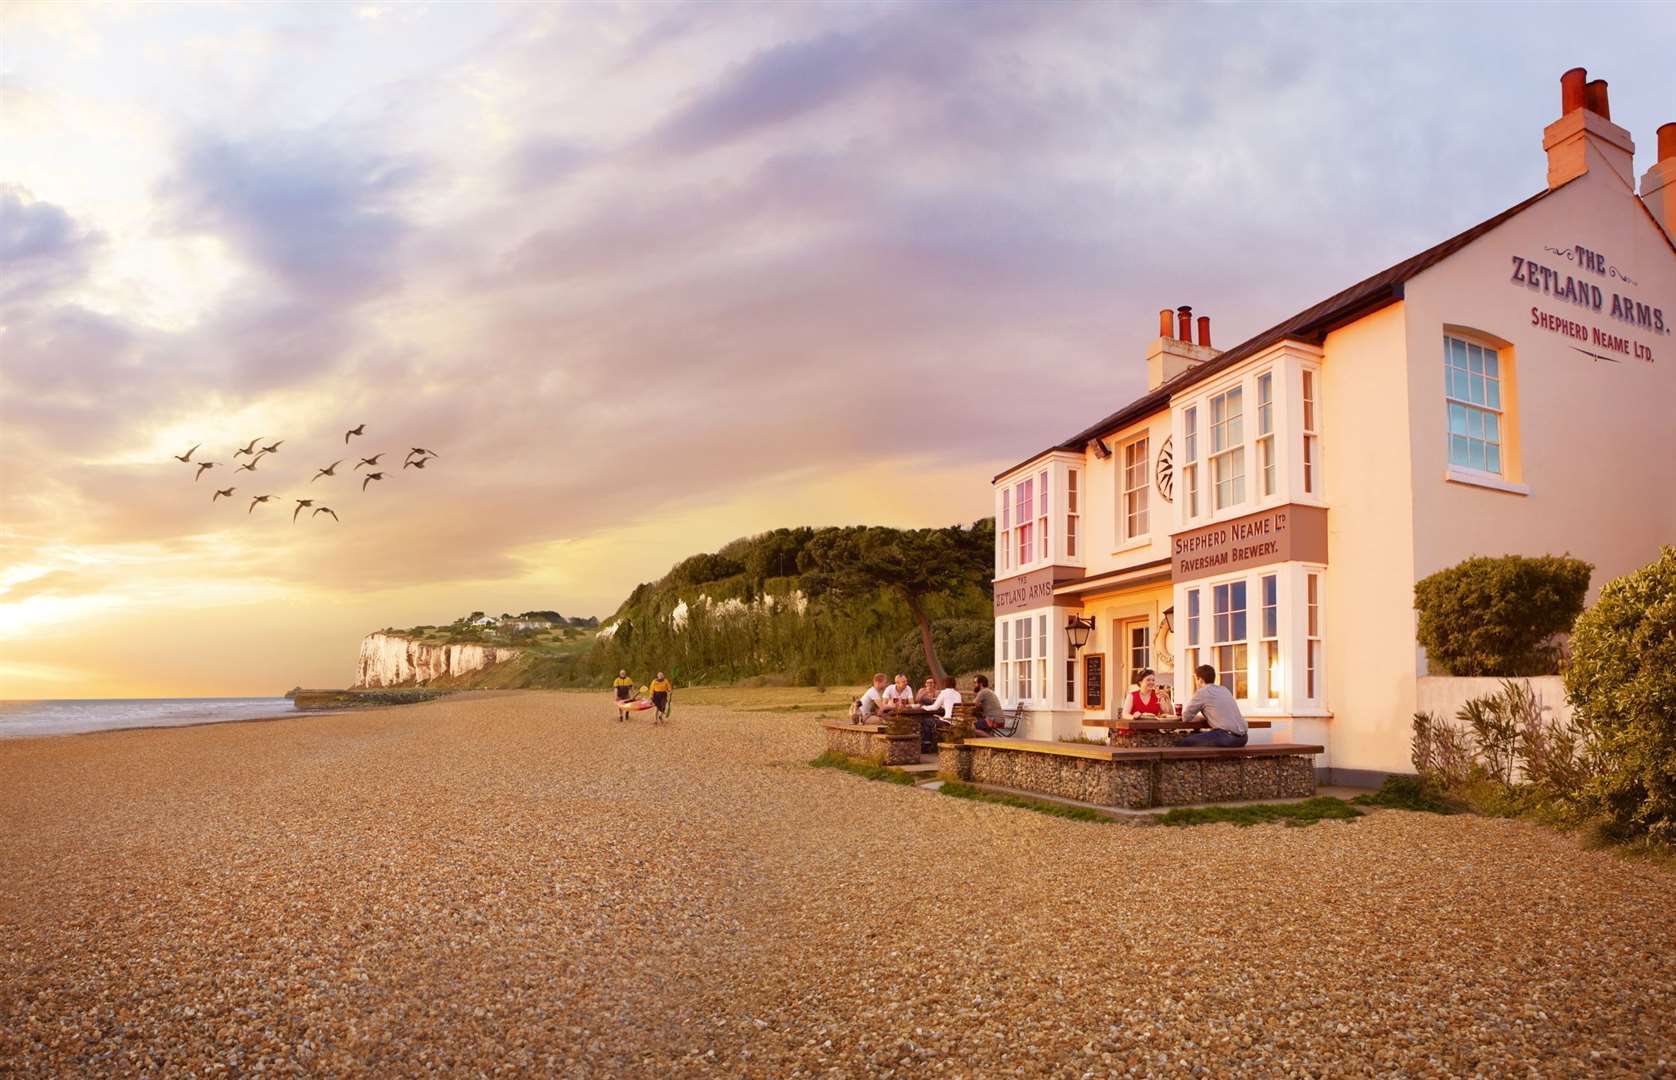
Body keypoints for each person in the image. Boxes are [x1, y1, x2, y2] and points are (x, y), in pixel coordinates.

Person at [1177, 664, 1248, 747]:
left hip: (1228, 737)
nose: (1196, 682)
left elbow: (1185, 717)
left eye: (1195, 679)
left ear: (1200, 680)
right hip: (1243, 738)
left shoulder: (1202, 692)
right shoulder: (1224, 689)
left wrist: (1200, 717)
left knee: (1184, 742)